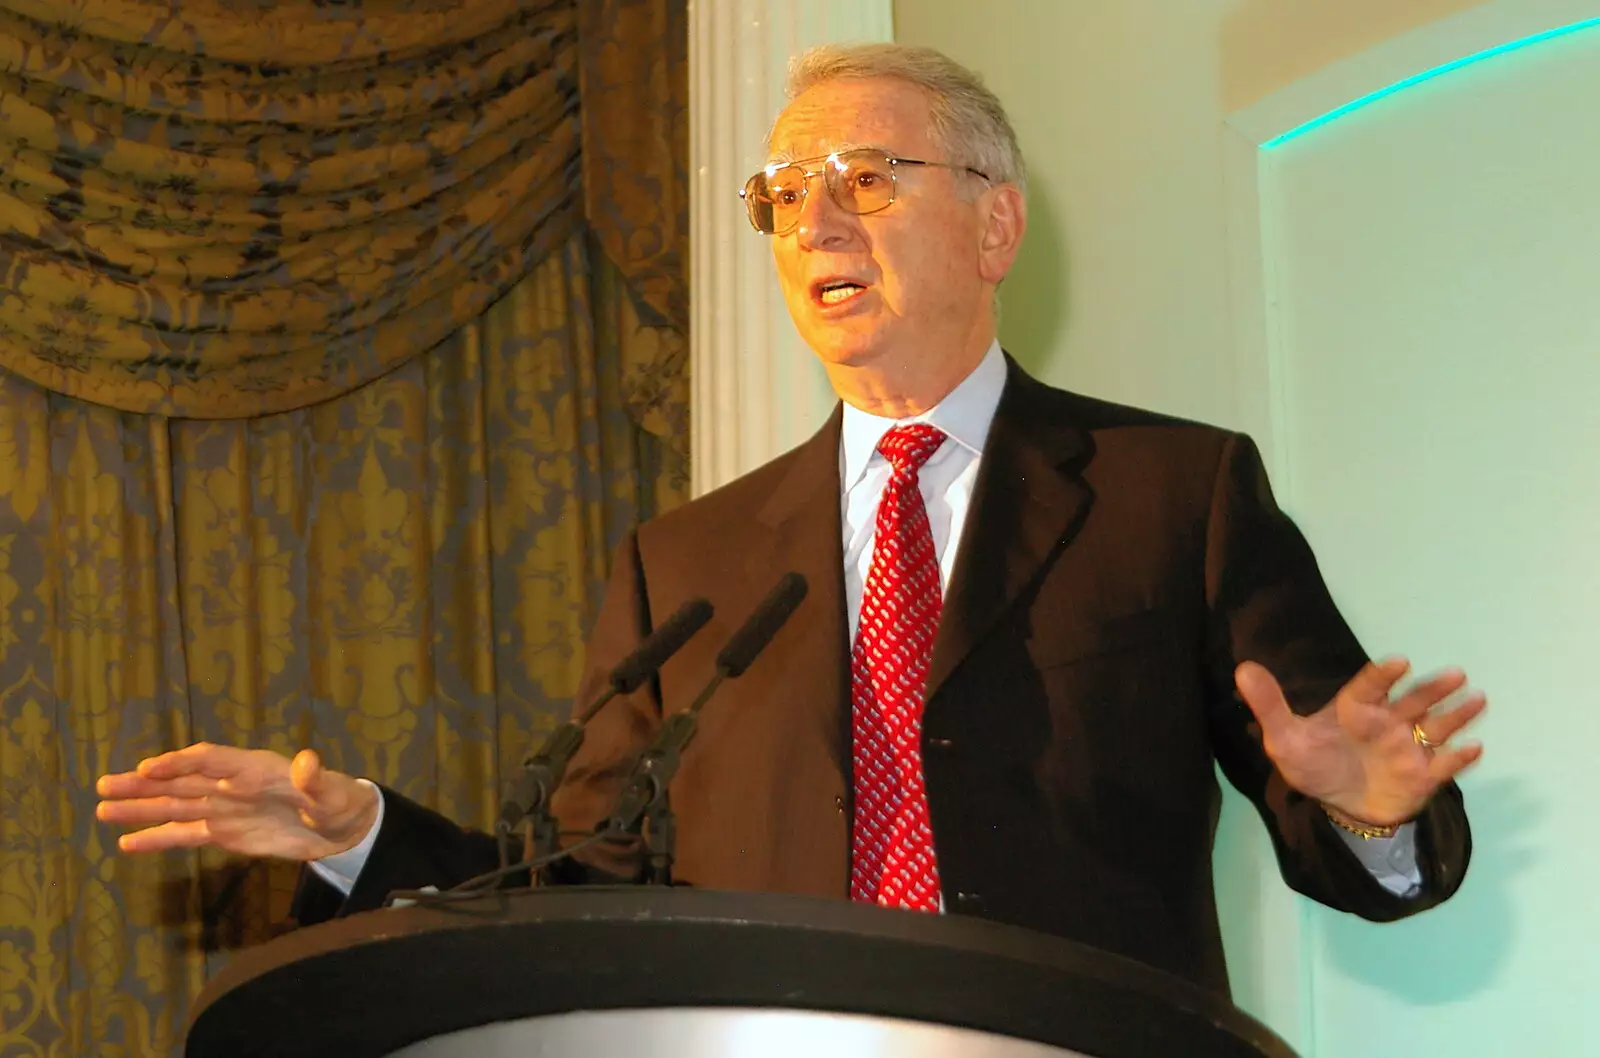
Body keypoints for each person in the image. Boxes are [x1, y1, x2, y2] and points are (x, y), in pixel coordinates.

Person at [96, 43, 1484, 996]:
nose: (814, 222)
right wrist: (358, 832)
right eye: (782, 196)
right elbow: (578, 883)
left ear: (995, 227)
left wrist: (1366, 813)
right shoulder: (687, 566)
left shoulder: (1173, 493)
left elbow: (1365, 842)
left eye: (866, 178)